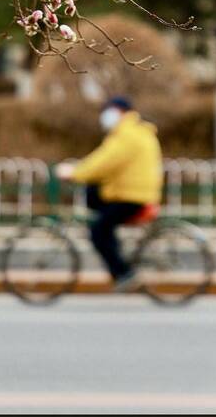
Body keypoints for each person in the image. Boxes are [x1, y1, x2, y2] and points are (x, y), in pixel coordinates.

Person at [55, 96, 162, 291]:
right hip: (133, 193)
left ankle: (124, 273)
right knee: (98, 207)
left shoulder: (127, 134)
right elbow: (107, 162)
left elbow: (104, 161)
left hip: (131, 197)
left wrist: (75, 172)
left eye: (109, 111)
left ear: (121, 112)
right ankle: (115, 252)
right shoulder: (135, 131)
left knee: (98, 231)